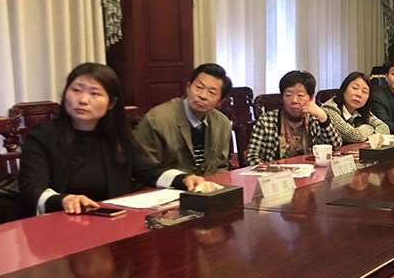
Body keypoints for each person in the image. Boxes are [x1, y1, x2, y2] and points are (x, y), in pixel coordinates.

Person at [19, 62, 206, 215]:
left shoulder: (116, 136)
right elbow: (32, 189)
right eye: (76, 90)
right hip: (60, 223)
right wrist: (63, 200)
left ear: (112, 103)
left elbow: (148, 169)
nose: (83, 100)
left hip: (110, 221)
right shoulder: (44, 134)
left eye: (94, 93)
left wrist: (183, 179)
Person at [133, 63, 233, 175]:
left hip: (207, 185)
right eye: (199, 88)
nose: (203, 96)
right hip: (168, 184)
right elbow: (145, 170)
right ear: (188, 88)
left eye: (212, 93)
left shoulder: (222, 123)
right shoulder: (157, 120)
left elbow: (221, 167)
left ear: (220, 102)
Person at [246, 70, 341, 165]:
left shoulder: (314, 119)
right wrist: (270, 170)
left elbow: (335, 146)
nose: (294, 101)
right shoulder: (267, 121)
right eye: (288, 95)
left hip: (311, 171)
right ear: (282, 97)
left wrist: (323, 118)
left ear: (311, 97)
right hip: (277, 172)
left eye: (300, 95)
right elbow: (251, 157)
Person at [320, 72, 389, 144]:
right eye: (355, 88)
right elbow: (354, 136)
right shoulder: (329, 109)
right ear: (344, 89)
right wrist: (369, 128)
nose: (359, 94)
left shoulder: (361, 111)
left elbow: (384, 128)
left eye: (364, 91)